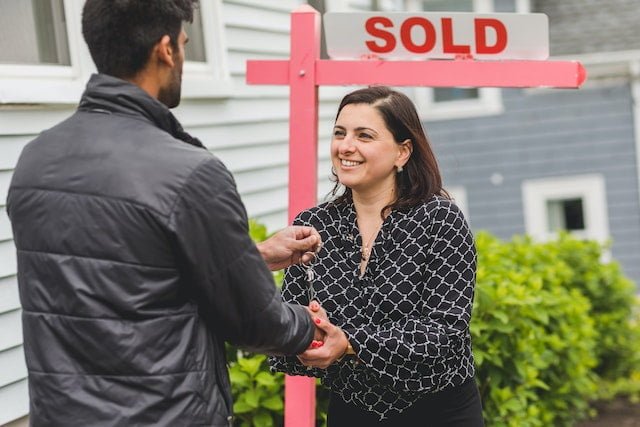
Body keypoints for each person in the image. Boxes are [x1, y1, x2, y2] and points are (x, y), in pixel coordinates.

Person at [6, 1, 323, 426]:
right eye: (184, 44)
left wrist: (254, 255)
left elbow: (115, 268)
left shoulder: (35, 160)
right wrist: (309, 326)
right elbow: (254, 322)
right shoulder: (188, 173)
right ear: (165, 50)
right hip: (164, 415)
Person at [269, 86, 484, 426]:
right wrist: (310, 334)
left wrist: (351, 342)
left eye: (364, 136)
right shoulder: (311, 226)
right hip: (352, 412)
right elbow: (289, 321)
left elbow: (445, 331)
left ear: (403, 152)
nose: (346, 146)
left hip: (440, 411)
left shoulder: (440, 219)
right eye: (340, 133)